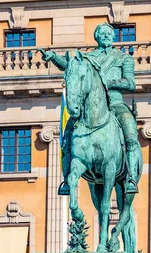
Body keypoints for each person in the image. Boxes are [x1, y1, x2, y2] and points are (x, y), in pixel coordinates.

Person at [40, 23, 140, 194]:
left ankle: (130, 178)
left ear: (113, 37)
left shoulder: (123, 58)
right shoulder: (88, 58)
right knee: (67, 138)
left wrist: (107, 83)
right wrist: (54, 58)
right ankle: (66, 180)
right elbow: (70, 65)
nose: (106, 36)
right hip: (90, 108)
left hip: (115, 104)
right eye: (102, 33)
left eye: (109, 34)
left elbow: (130, 83)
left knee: (131, 135)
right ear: (97, 37)